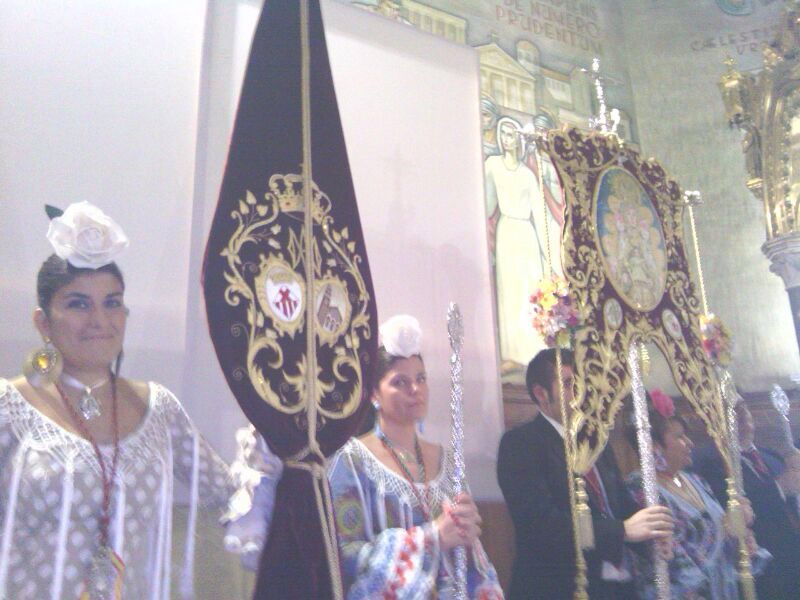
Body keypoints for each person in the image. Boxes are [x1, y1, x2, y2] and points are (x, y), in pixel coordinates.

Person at [0, 201, 272, 599]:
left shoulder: (158, 409)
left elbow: (228, 494)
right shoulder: (10, 406)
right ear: (43, 321)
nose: (99, 320)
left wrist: (274, 440)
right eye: (78, 304)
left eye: (112, 302)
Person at [328, 315, 504, 598]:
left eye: (421, 379)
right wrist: (431, 538)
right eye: (400, 382)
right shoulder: (352, 461)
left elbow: (468, 554)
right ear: (374, 394)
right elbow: (345, 555)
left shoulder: (447, 460)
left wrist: (467, 530)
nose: (415, 389)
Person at [497, 348, 673, 600]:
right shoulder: (521, 444)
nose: (581, 392)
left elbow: (619, 504)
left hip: (613, 588)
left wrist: (651, 539)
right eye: (569, 384)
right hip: (557, 587)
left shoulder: (594, 440)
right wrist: (621, 531)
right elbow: (543, 526)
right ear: (541, 394)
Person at [626, 390, 764, 600]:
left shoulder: (696, 481)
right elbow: (672, 563)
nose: (690, 442)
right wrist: (725, 531)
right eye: (679, 437)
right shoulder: (641, 489)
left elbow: (726, 543)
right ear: (654, 446)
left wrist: (741, 539)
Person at [693, 397, 800, 599]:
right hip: (764, 564)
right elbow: (729, 506)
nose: (742, 414)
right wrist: (779, 487)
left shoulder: (773, 457)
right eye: (733, 410)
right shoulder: (711, 463)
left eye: (744, 408)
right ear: (717, 420)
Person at [484, 117, 561, 374]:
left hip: (526, 235)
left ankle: (534, 352)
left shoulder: (528, 176)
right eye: (504, 133)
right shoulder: (493, 166)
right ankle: (512, 354)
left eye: (512, 134)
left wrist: (549, 257)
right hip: (506, 233)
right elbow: (487, 204)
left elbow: (539, 214)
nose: (507, 139)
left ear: (519, 140)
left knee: (528, 291)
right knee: (509, 292)